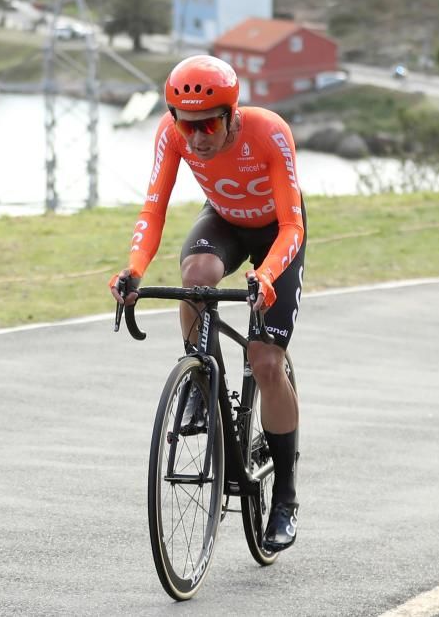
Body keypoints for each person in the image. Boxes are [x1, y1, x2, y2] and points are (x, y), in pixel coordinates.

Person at [109, 55, 306, 553]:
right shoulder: (172, 134)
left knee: (264, 362)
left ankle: (284, 496)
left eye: (208, 124)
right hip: (223, 221)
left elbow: (291, 226)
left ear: (231, 113)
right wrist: (134, 269)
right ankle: (201, 375)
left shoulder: (268, 131)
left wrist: (265, 276)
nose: (196, 137)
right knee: (196, 275)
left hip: (275, 234)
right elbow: (153, 207)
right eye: (186, 123)